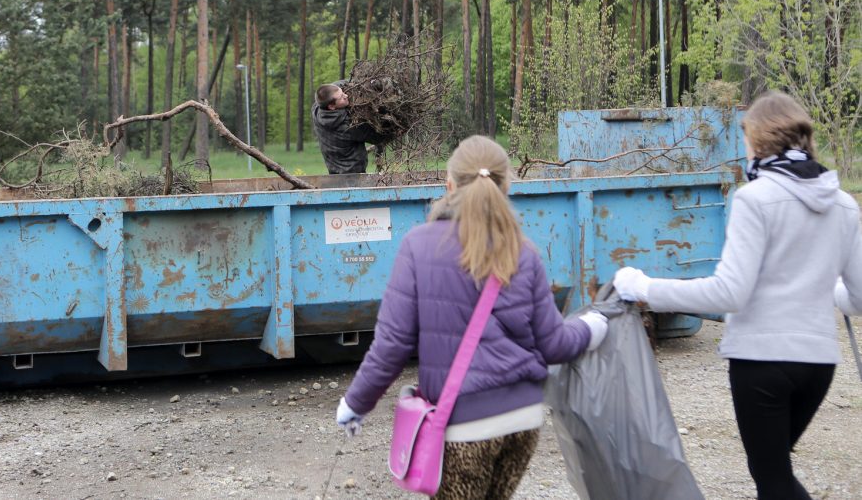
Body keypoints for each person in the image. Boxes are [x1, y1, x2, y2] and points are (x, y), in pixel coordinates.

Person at [614, 91, 862, 500]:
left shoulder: (754, 198)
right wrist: (823, 287)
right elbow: (858, 297)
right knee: (773, 472)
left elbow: (730, 291)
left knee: (773, 479)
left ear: (759, 141)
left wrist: (645, 289)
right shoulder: (843, 204)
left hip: (763, 362)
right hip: (818, 365)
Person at [335, 135, 609, 500]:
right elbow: (555, 344)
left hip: (464, 427)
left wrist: (355, 403)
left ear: (448, 185)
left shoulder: (419, 245)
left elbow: (393, 344)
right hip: (523, 422)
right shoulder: (522, 251)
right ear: (505, 186)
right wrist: (593, 326)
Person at [311, 82, 385, 174]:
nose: (346, 95)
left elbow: (338, 85)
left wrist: (365, 84)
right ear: (332, 106)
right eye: (341, 97)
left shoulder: (317, 110)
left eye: (343, 92)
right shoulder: (348, 127)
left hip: (333, 172)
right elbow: (379, 137)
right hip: (352, 174)